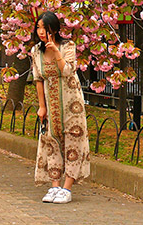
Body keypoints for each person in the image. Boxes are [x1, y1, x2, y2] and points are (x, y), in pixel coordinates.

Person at [30, 11, 90, 204]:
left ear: (54, 29)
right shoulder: (36, 51)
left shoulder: (68, 46)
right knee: (51, 142)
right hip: (51, 103)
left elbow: (67, 71)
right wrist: (42, 106)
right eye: (38, 28)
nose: (41, 32)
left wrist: (56, 53)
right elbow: (38, 78)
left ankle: (67, 187)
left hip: (72, 104)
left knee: (73, 141)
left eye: (45, 29)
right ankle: (54, 185)